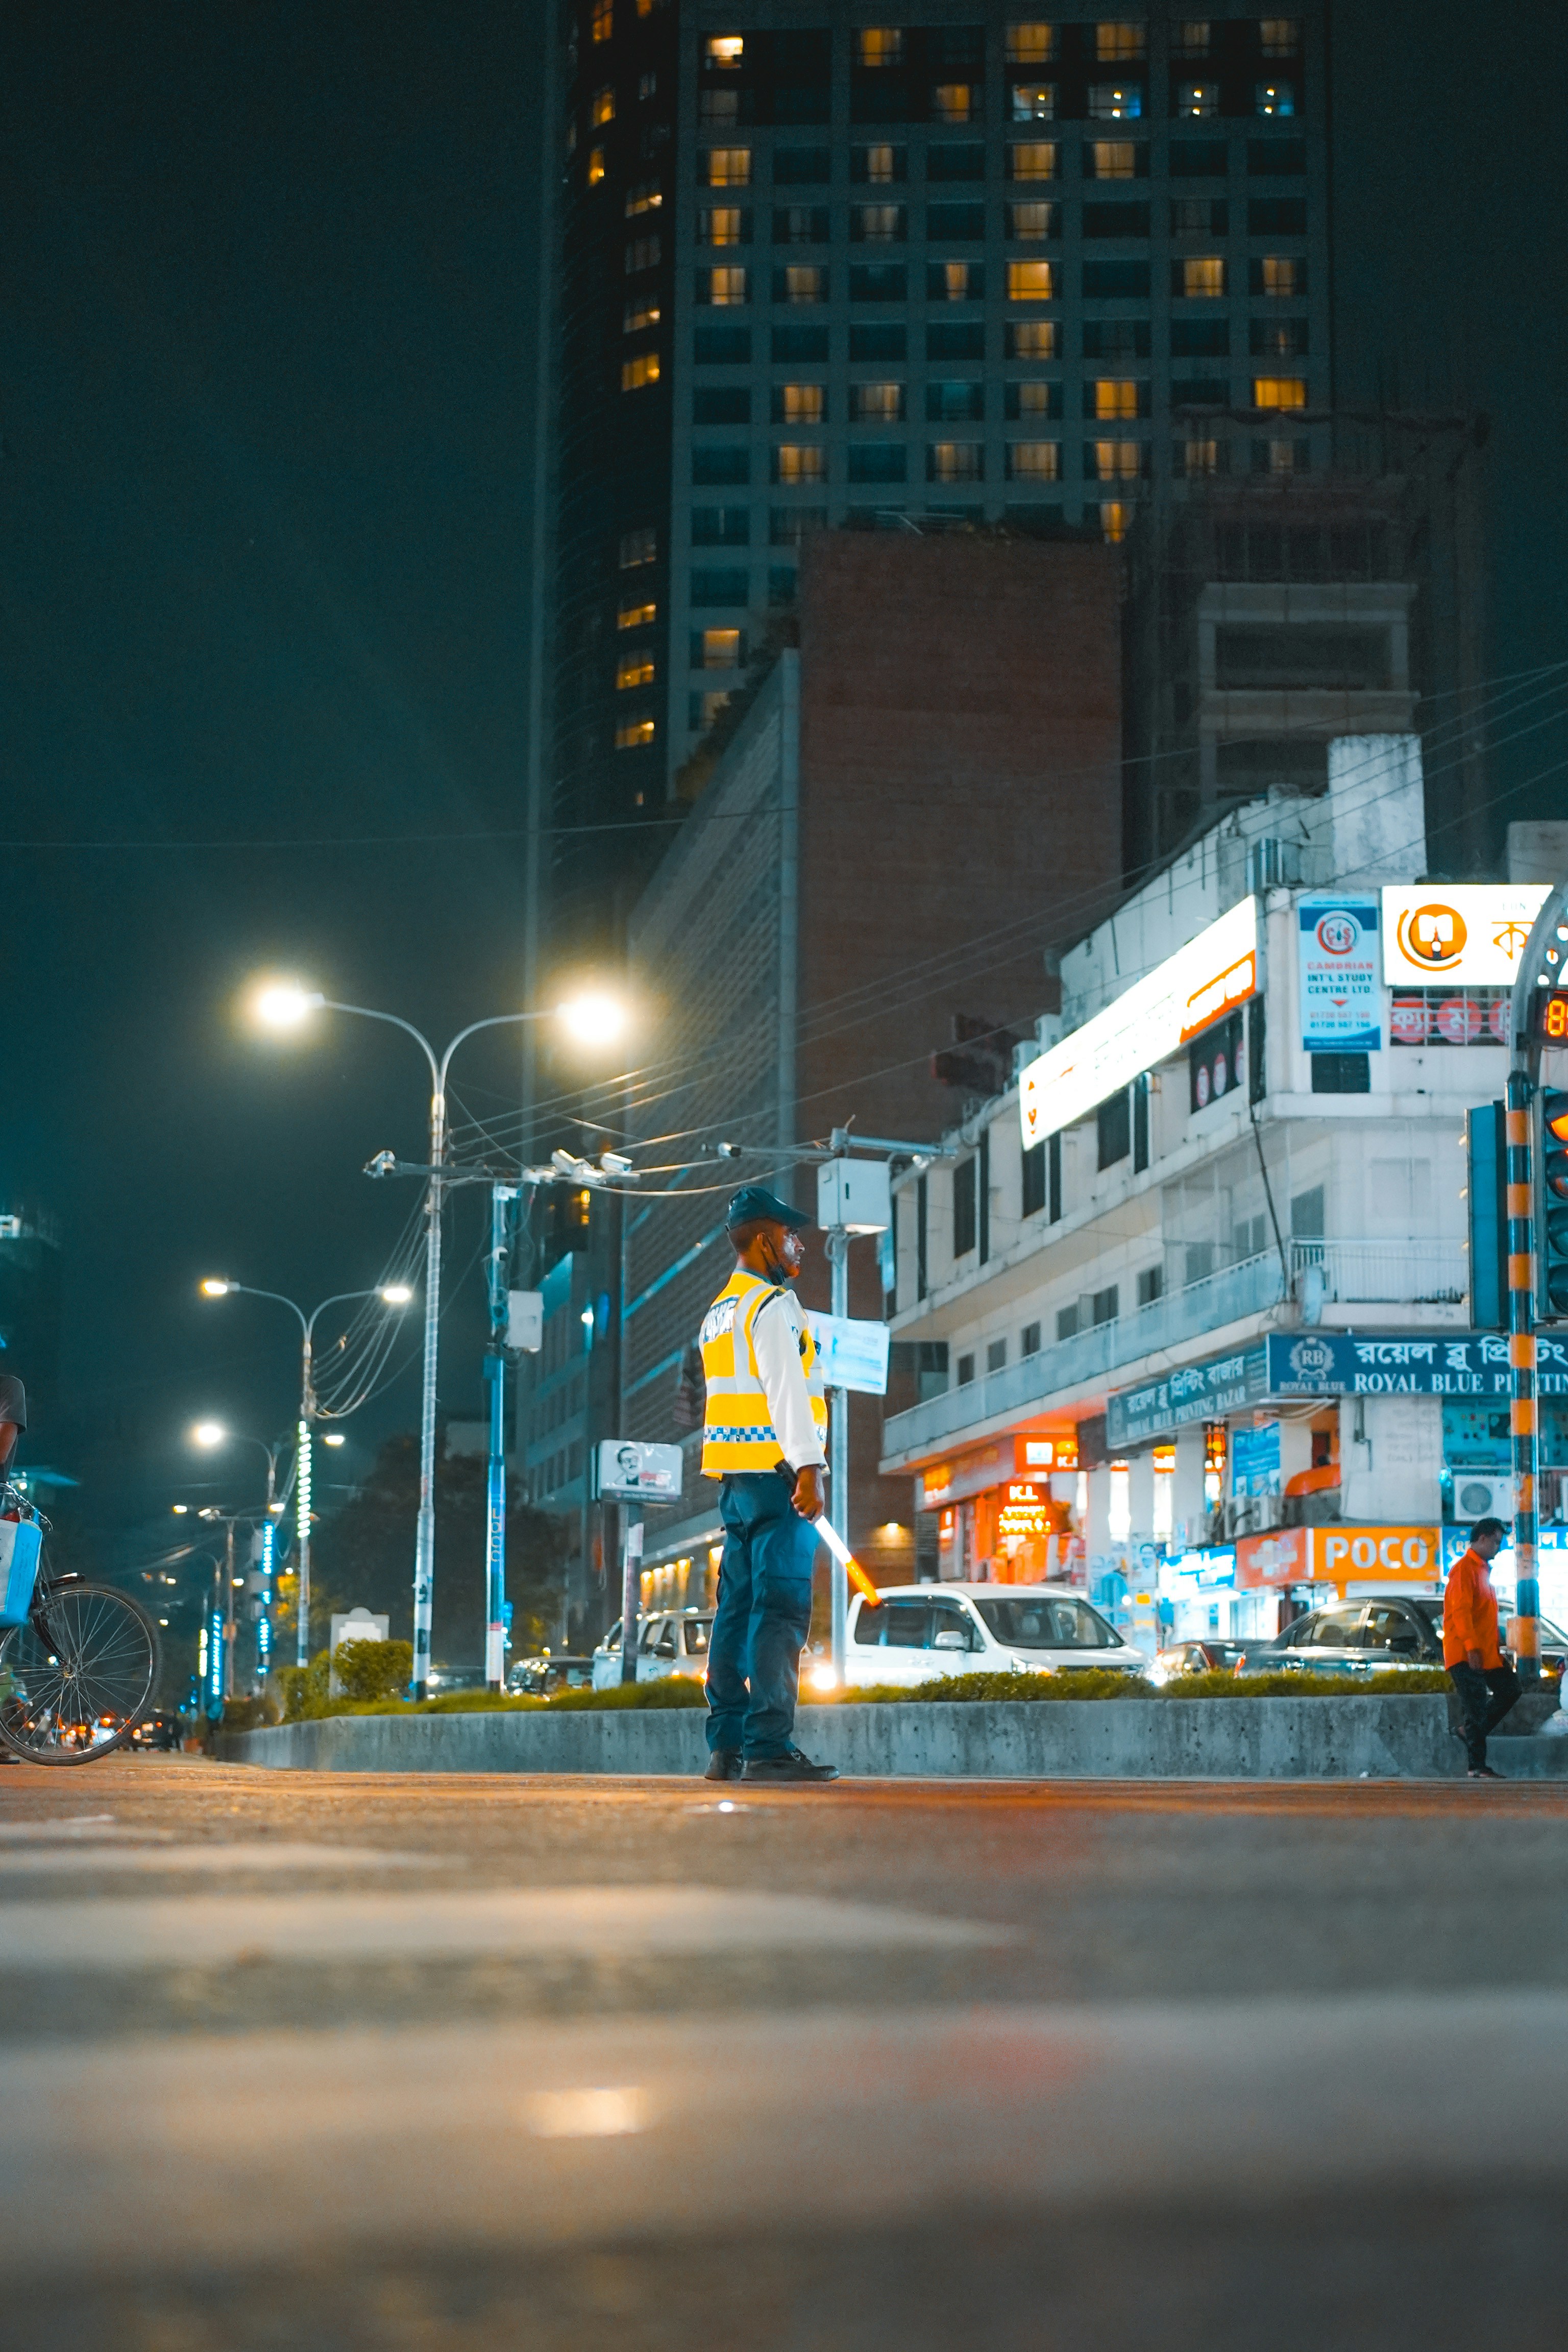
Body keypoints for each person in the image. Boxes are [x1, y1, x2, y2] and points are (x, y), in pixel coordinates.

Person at [697, 1184, 837, 1784]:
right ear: (762, 1240)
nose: (796, 1245)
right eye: (788, 1235)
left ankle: (726, 1747)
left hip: (736, 1482)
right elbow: (786, 1391)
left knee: (734, 1610)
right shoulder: (771, 1306)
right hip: (781, 1480)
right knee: (779, 1611)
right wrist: (809, 1467)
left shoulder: (718, 1313)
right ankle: (770, 1748)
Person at [1444, 1516, 1518, 1780]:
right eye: (1497, 1542)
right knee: (1475, 1705)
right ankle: (1477, 1766)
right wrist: (1473, 1648)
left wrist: (1495, 1652)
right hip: (1465, 1653)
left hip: (1485, 1654)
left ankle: (1468, 1732)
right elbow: (1461, 1612)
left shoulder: (1482, 1571)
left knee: (1510, 1689)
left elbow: (1484, 1619)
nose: (1499, 1547)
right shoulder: (1464, 1569)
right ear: (1483, 1538)